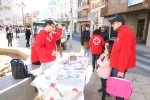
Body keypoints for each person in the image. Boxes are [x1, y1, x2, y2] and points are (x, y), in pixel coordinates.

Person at [109, 15, 136, 100]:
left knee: (119, 90)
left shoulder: (126, 33)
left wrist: (121, 70)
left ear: (120, 23)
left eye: (113, 23)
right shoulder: (121, 32)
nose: (112, 25)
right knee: (116, 89)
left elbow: (125, 53)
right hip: (116, 66)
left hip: (118, 68)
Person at [98, 25, 109, 92]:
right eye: (102, 28)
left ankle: (106, 89)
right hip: (100, 48)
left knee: (106, 78)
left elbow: (107, 41)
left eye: (104, 28)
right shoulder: (99, 33)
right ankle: (103, 87)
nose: (103, 29)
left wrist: (105, 47)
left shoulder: (106, 34)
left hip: (104, 47)